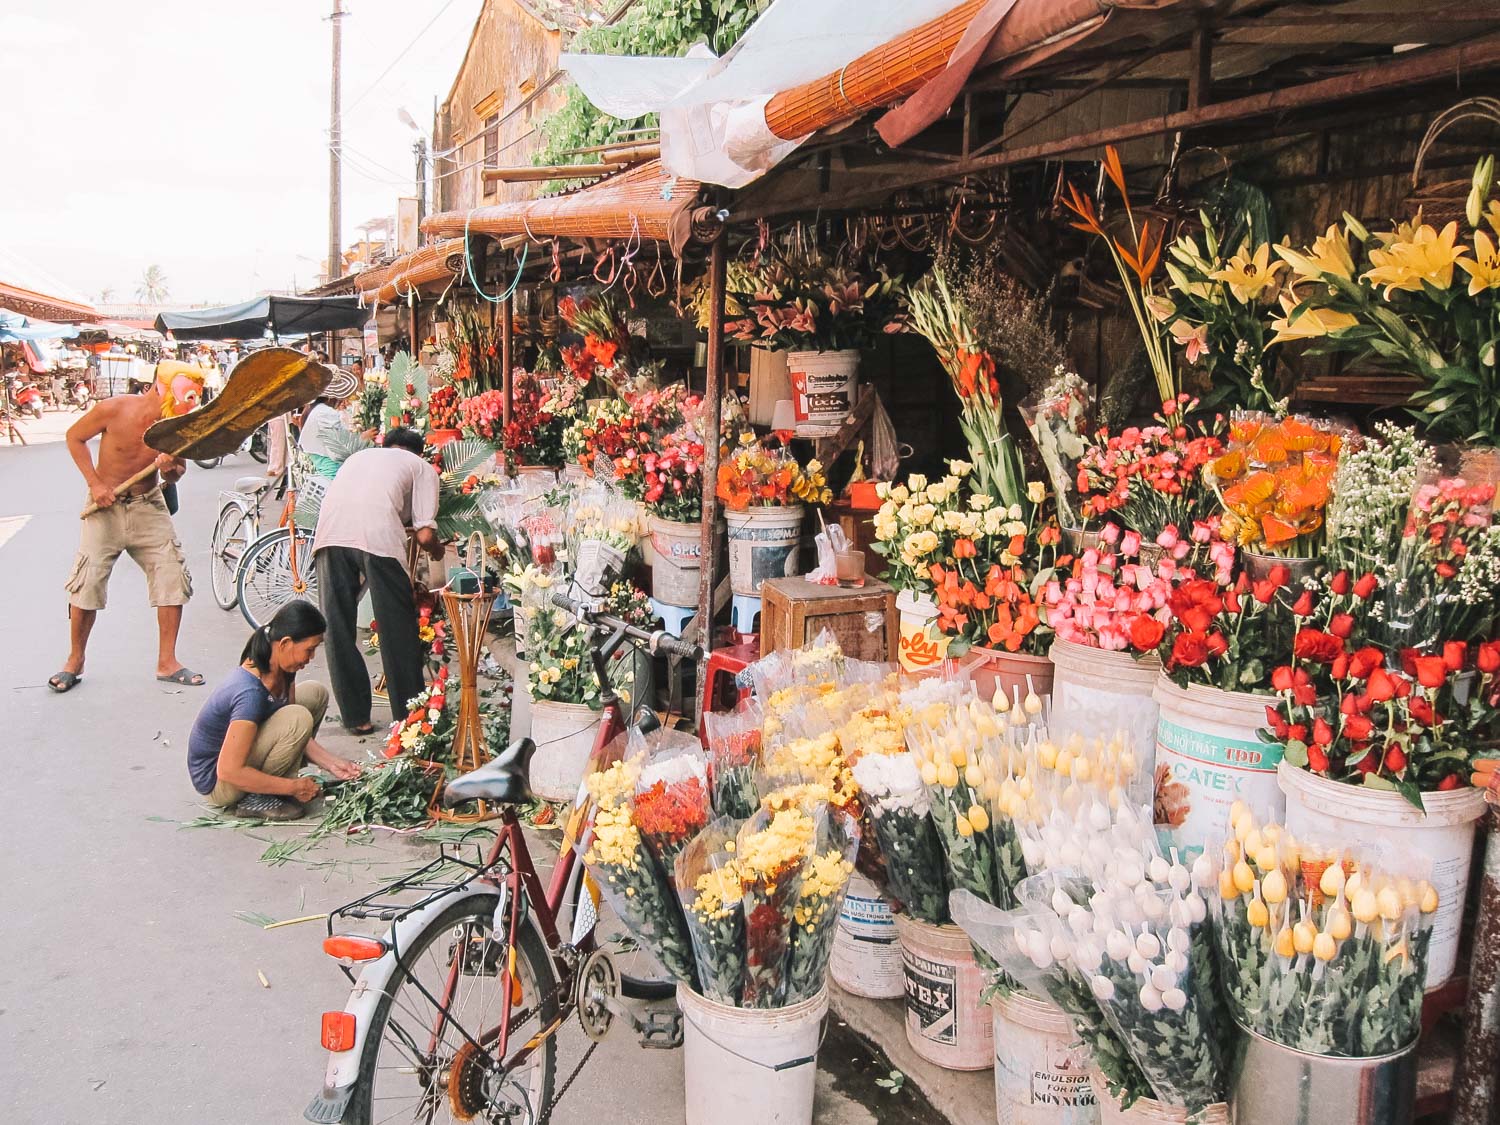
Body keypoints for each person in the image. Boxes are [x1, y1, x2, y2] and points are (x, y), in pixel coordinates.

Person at [50, 360, 206, 693]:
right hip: (104, 506)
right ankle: (74, 661)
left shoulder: (176, 425)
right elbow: (74, 437)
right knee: (87, 581)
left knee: (171, 575)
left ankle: (168, 662)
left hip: (148, 505)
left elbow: (177, 473)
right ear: (159, 387)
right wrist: (95, 483)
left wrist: (170, 466)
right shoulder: (115, 408)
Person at [314, 427, 443, 734]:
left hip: (330, 536)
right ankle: (409, 719)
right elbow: (425, 534)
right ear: (417, 452)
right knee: (397, 630)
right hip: (378, 540)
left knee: (338, 629)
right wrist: (437, 551)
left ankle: (356, 717)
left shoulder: (359, 457)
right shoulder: (422, 468)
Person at [186, 600, 360, 821]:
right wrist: (292, 787)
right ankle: (256, 797)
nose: (311, 658)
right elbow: (228, 770)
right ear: (285, 643)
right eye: (309, 649)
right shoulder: (249, 693)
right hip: (220, 783)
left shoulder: (282, 665)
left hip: (237, 761)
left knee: (315, 694)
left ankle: (274, 784)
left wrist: (333, 764)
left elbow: (297, 733)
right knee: (297, 717)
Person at [297, 367, 361, 477]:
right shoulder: (325, 413)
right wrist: (362, 439)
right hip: (331, 471)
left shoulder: (316, 409)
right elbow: (338, 450)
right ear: (332, 397)